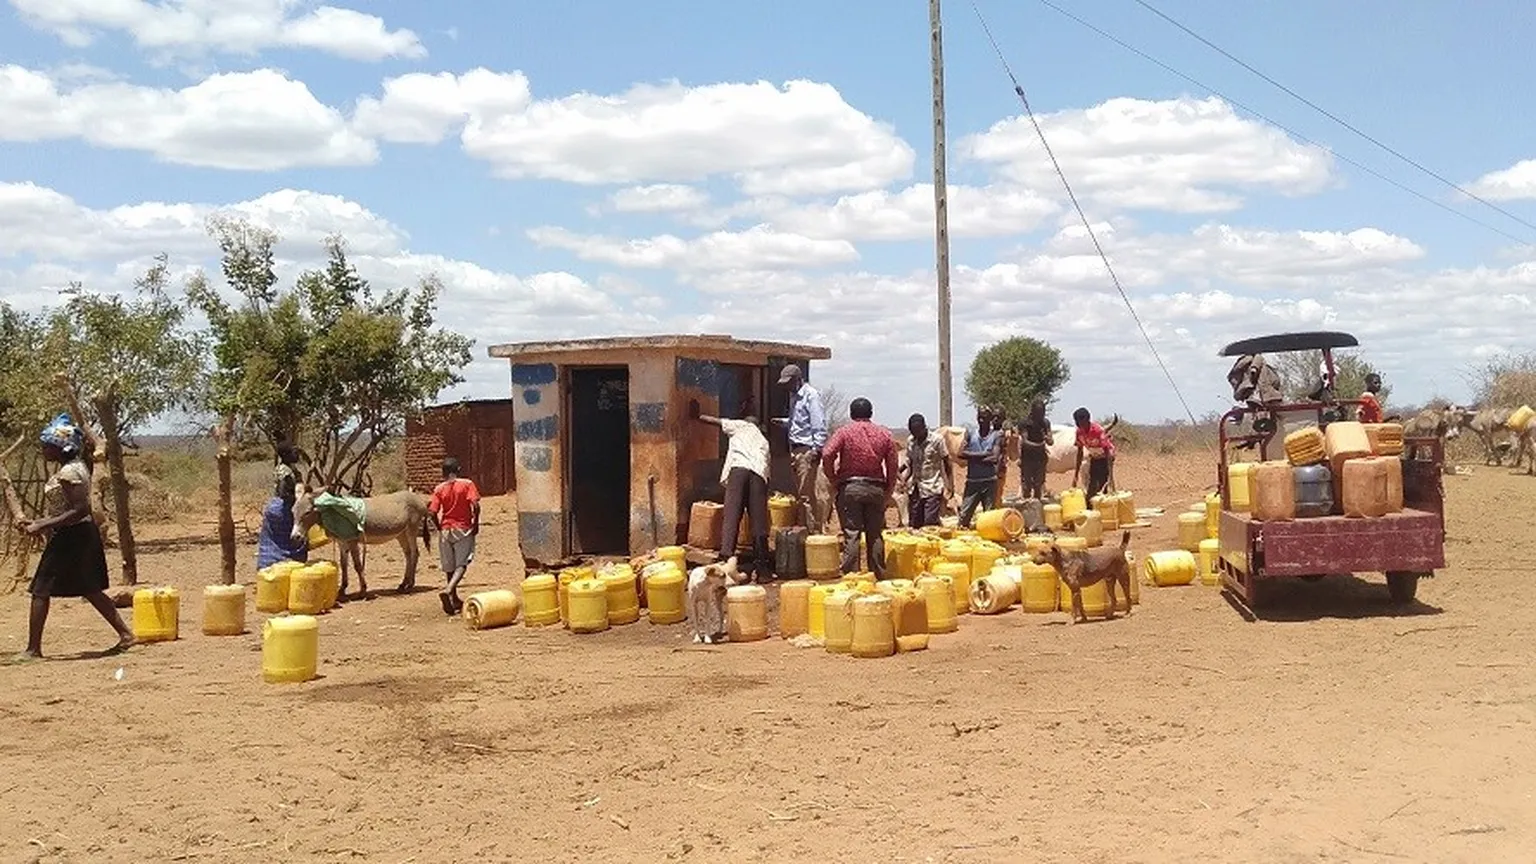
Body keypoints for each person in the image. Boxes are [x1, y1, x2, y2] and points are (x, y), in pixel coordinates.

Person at [12, 413, 134, 661]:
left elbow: (80, 510)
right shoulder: (71, 469)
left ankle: (33, 650)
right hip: (75, 534)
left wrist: (42, 525)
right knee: (88, 587)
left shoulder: (71, 473)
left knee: (41, 588)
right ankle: (126, 634)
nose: (44, 450)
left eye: (47, 445)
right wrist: (38, 523)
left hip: (73, 536)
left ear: (61, 447)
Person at [693, 405, 772, 583]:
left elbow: (716, 421)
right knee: (759, 523)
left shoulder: (740, 426)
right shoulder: (763, 441)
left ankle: (725, 560)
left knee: (731, 516)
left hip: (739, 471)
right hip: (759, 474)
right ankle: (762, 569)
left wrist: (698, 415)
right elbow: (767, 470)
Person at [821, 397, 899, 578]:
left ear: (851, 414)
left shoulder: (844, 432)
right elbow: (893, 464)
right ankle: (878, 574)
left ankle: (851, 576)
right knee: (875, 534)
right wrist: (889, 489)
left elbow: (827, 453)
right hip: (875, 489)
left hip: (850, 488)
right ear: (871, 414)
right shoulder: (884, 434)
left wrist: (832, 477)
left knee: (852, 533)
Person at [773, 364, 829, 533]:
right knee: (801, 492)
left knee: (806, 494)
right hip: (796, 449)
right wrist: (784, 422)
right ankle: (807, 529)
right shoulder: (794, 396)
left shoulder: (811, 395)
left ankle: (813, 532)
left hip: (806, 451)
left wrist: (816, 449)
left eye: (789, 383)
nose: (787, 387)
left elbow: (818, 423)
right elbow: (799, 422)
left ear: (798, 380)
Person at [428, 457, 481, 616]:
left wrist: (439, 528)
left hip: (445, 530)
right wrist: (475, 522)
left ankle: (453, 598)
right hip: (462, 528)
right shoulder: (467, 484)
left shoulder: (438, 489)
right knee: (462, 564)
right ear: (458, 470)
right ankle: (449, 589)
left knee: (449, 566)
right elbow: (475, 505)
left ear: (443, 472)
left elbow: (431, 513)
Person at [257, 441, 308, 570]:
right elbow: (283, 489)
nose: (296, 455)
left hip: (274, 506)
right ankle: (288, 570)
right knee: (295, 539)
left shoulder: (286, 467)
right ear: (285, 455)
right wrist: (296, 496)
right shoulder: (286, 472)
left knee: (273, 543)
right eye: (293, 452)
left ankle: (269, 569)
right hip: (284, 509)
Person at [900, 413, 954, 528]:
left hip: (932, 487)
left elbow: (947, 463)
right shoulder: (911, 441)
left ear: (924, 427)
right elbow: (910, 463)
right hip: (915, 488)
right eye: (912, 432)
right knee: (914, 524)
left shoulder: (937, 440)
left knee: (929, 524)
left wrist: (950, 485)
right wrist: (903, 478)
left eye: (917, 431)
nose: (915, 435)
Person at [958, 406, 1003, 528]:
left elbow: (994, 458)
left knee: (989, 520)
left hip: (989, 482)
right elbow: (960, 453)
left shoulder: (996, 435)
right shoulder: (970, 433)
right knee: (964, 518)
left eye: (984, 418)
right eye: (979, 417)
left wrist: (971, 457)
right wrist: (983, 454)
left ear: (990, 419)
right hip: (972, 482)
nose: (981, 420)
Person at [1072, 407, 1116, 500]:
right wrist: (1075, 475)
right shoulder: (1079, 432)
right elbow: (1079, 452)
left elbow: (1107, 450)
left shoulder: (1097, 431)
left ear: (1088, 419)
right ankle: (1090, 507)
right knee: (1092, 485)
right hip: (1095, 458)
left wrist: (1110, 474)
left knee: (1102, 484)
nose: (1079, 424)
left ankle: (1102, 510)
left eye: (1081, 421)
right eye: (1077, 422)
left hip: (1106, 458)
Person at [1018, 400, 1051, 500]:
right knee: (1027, 486)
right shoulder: (1024, 423)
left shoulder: (1045, 423)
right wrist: (1040, 445)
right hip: (1027, 458)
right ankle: (1027, 509)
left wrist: (1047, 438)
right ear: (1032, 412)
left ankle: (1036, 509)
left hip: (1040, 458)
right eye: (1039, 413)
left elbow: (1050, 441)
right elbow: (1025, 441)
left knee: (1038, 485)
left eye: (1043, 413)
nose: (1041, 416)